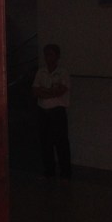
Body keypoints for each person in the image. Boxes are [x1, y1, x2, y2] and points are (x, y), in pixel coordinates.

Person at [32, 43, 72, 179]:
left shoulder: (63, 72)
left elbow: (61, 91)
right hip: (43, 112)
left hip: (57, 112)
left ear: (57, 56)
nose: (47, 57)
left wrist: (46, 92)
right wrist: (51, 92)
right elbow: (35, 91)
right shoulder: (40, 72)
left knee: (61, 143)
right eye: (46, 54)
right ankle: (49, 171)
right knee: (45, 143)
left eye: (50, 54)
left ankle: (66, 172)